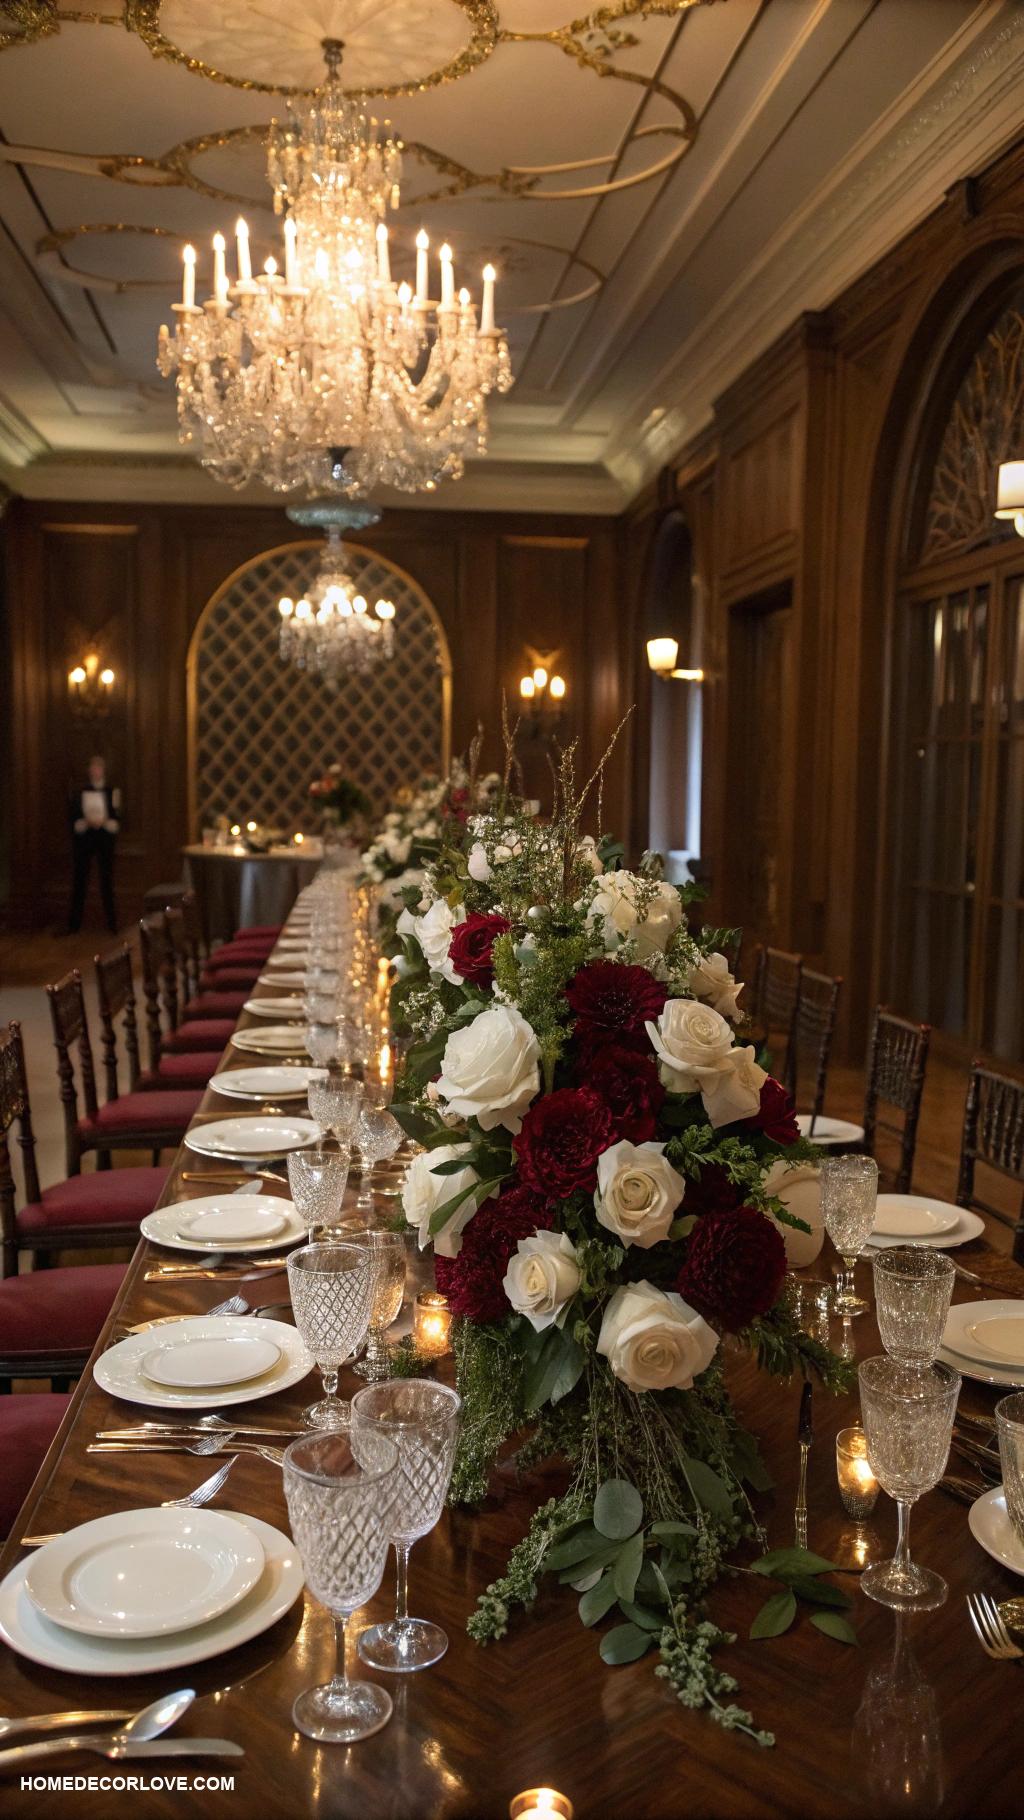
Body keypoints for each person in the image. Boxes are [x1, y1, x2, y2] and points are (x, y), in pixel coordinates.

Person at [68, 755, 121, 933]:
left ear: (103, 770)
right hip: (85, 841)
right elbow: (74, 822)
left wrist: (104, 822)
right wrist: (87, 822)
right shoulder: (81, 792)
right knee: (79, 881)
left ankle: (112, 925)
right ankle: (74, 925)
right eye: (93, 767)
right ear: (89, 770)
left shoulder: (113, 791)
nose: (95, 770)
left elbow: (117, 821)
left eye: (99, 767)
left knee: (106, 881)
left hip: (105, 841)